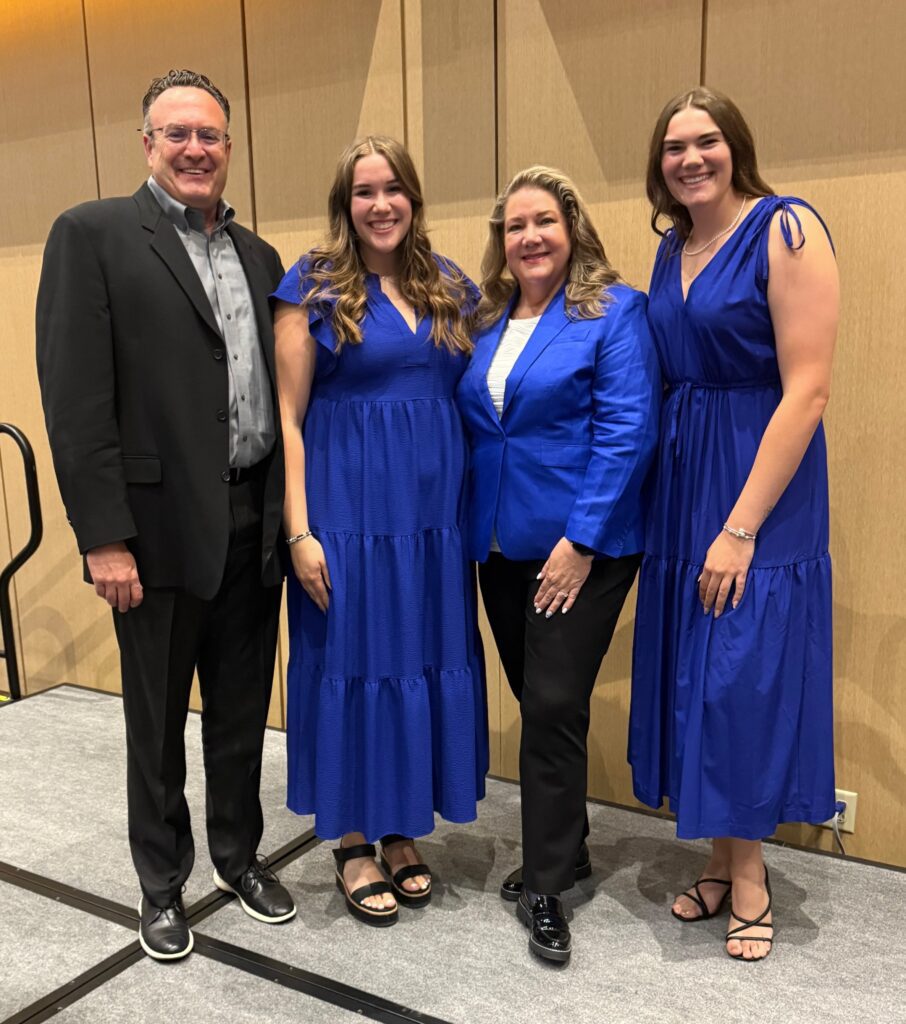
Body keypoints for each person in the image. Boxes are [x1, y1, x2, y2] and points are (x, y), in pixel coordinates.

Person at [36, 70, 296, 961]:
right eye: (177, 133)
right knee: (155, 722)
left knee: (239, 710)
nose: (196, 149)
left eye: (211, 136)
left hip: (252, 519)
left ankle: (238, 855)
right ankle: (161, 883)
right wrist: (102, 535)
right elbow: (75, 402)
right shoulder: (93, 235)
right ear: (147, 143)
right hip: (151, 532)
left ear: (231, 147)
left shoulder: (260, 258)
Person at [629, 87, 839, 962]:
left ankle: (748, 876)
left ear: (734, 146)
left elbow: (809, 389)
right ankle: (719, 855)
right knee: (698, 665)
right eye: (674, 146)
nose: (690, 159)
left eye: (706, 142)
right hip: (684, 478)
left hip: (761, 480)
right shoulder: (672, 246)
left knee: (739, 673)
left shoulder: (787, 227)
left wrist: (742, 526)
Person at [273, 136, 487, 928]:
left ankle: (399, 826)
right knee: (353, 662)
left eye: (393, 188)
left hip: (431, 525)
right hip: (348, 515)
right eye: (364, 191)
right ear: (346, 205)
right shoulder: (313, 287)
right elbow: (289, 420)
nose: (380, 204)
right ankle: (353, 836)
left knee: (418, 658)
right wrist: (300, 531)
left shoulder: (450, 286)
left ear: (414, 198)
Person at [456, 167, 660, 963]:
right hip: (500, 545)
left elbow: (628, 430)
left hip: (582, 546)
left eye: (544, 221)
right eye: (514, 226)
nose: (529, 237)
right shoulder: (484, 319)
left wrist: (579, 544)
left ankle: (546, 881)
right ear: (500, 240)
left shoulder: (614, 311)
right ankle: (568, 843)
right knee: (542, 698)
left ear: (572, 226)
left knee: (547, 704)